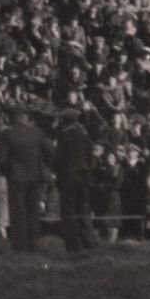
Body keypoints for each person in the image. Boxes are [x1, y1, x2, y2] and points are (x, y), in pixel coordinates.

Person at [0, 106, 53, 253]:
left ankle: (20, 246)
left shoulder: (8, 134)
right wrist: (42, 166)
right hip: (35, 176)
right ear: (26, 118)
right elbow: (50, 151)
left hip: (16, 177)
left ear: (12, 118)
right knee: (33, 211)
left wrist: (8, 172)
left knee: (18, 212)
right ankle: (34, 244)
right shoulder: (37, 133)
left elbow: (2, 160)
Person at [53, 108, 99, 253]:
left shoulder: (63, 136)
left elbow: (58, 158)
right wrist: (87, 170)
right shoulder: (85, 135)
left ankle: (73, 245)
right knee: (84, 210)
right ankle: (89, 242)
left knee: (69, 212)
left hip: (67, 179)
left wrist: (56, 170)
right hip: (83, 178)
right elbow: (92, 158)